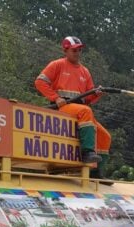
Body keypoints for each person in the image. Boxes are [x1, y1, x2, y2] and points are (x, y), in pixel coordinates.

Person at [35, 36, 110, 178]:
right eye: (74, 50)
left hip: (80, 109)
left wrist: (97, 94)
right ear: (66, 50)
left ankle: (96, 173)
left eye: (80, 50)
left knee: (105, 136)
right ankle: (87, 152)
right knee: (86, 111)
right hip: (63, 107)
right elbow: (40, 82)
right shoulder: (57, 65)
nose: (78, 52)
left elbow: (88, 98)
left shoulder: (85, 71)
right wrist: (55, 98)